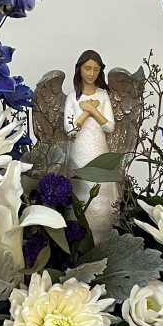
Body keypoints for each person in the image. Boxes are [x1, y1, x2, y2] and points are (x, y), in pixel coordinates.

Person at [64, 50, 117, 243]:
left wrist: (93, 110)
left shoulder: (103, 96)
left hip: (98, 149)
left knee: (101, 188)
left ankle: (104, 236)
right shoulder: (72, 98)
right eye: (87, 68)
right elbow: (70, 130)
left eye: (96, 69)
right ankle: (80, 239)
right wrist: (85, 112)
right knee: (82, 187)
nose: (91, 73)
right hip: (80, 150)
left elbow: (109, 127)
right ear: (79, 69)